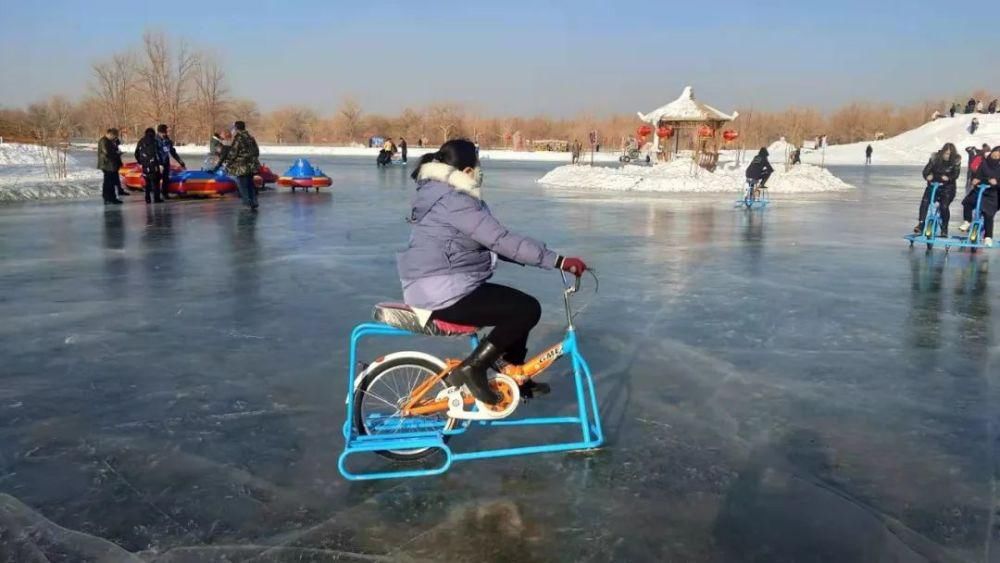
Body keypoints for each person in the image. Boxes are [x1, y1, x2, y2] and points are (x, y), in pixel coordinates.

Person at [396, 139, 588, 404]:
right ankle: (472, 368)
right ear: (465, 171)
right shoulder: (454, 200)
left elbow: (487, 243)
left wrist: (540, 259)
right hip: (443, 291)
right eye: (478, 165)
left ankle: (513, 372)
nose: (480, 171)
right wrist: (557, 260)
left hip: (437, 284)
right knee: (526, 309)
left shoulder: (439, 195)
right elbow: (501, 240)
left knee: (517, 305)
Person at [914, 143, 961, 236]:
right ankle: (921, 223)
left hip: (948, 189)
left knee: (944, 206)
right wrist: (928, 176)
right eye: (946, 153)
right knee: (925, 202)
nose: (947, 156)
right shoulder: (935, 159)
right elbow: (926, 171)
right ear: (942, 152)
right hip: (933, 186)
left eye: (949, 154)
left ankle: (944, 228)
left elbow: (956, 174)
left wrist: (948, 178)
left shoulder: (955, 161)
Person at [959, 146, 1000, 247]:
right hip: (980, 189)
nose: (995, 156)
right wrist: (975, 180)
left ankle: (988, 237)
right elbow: (977, 175)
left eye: (998, 155)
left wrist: (996, 182)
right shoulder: (984, 163)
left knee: (988, 214)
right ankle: (967, 221)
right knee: (967, 203)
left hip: (993, 193)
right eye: (995, 153)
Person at [217, 121, 261, 210]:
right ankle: (254, 201)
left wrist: (228, 161)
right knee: (250, 184)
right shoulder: (251, 137)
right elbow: (257, 152)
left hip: (241, 166)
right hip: (252, 165)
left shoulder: (238, 138)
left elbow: (233, 153)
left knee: (243, 185)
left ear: (236, 128)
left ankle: (247, 203)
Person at [155, 124, 185, 200]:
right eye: (165, 132)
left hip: (165, 162)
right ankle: (156, 195)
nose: (166, 133)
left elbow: (173, 152)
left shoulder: (167, 140)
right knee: (157, 179)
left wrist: (181, 162)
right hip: (158, 163)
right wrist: (158, 164)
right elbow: (154, 153)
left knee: (166, 178)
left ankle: (165, 193)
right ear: (160, 132)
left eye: (166, 132)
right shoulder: (155, 140)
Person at [134, 128, 163, 204]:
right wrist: (160, 163)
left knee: (147, 182)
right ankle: (156, 198)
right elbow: (158, 154)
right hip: (154, 165)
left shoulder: (141, 141)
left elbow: (136, 153)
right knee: (156, 182)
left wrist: (140, 162)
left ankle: (147, 198)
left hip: (145, 165)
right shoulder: (155, 141)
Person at [97, 128, 124, 205]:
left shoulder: (108, 141)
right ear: (110, 134)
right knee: (109, 182)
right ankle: (110, 197)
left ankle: (108, 197)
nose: (115, 138)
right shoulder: (104, 141)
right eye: (114, 136)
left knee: (109, 182)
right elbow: (107, 153)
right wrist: (117, 154)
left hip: (109, 164)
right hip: (107, 165)